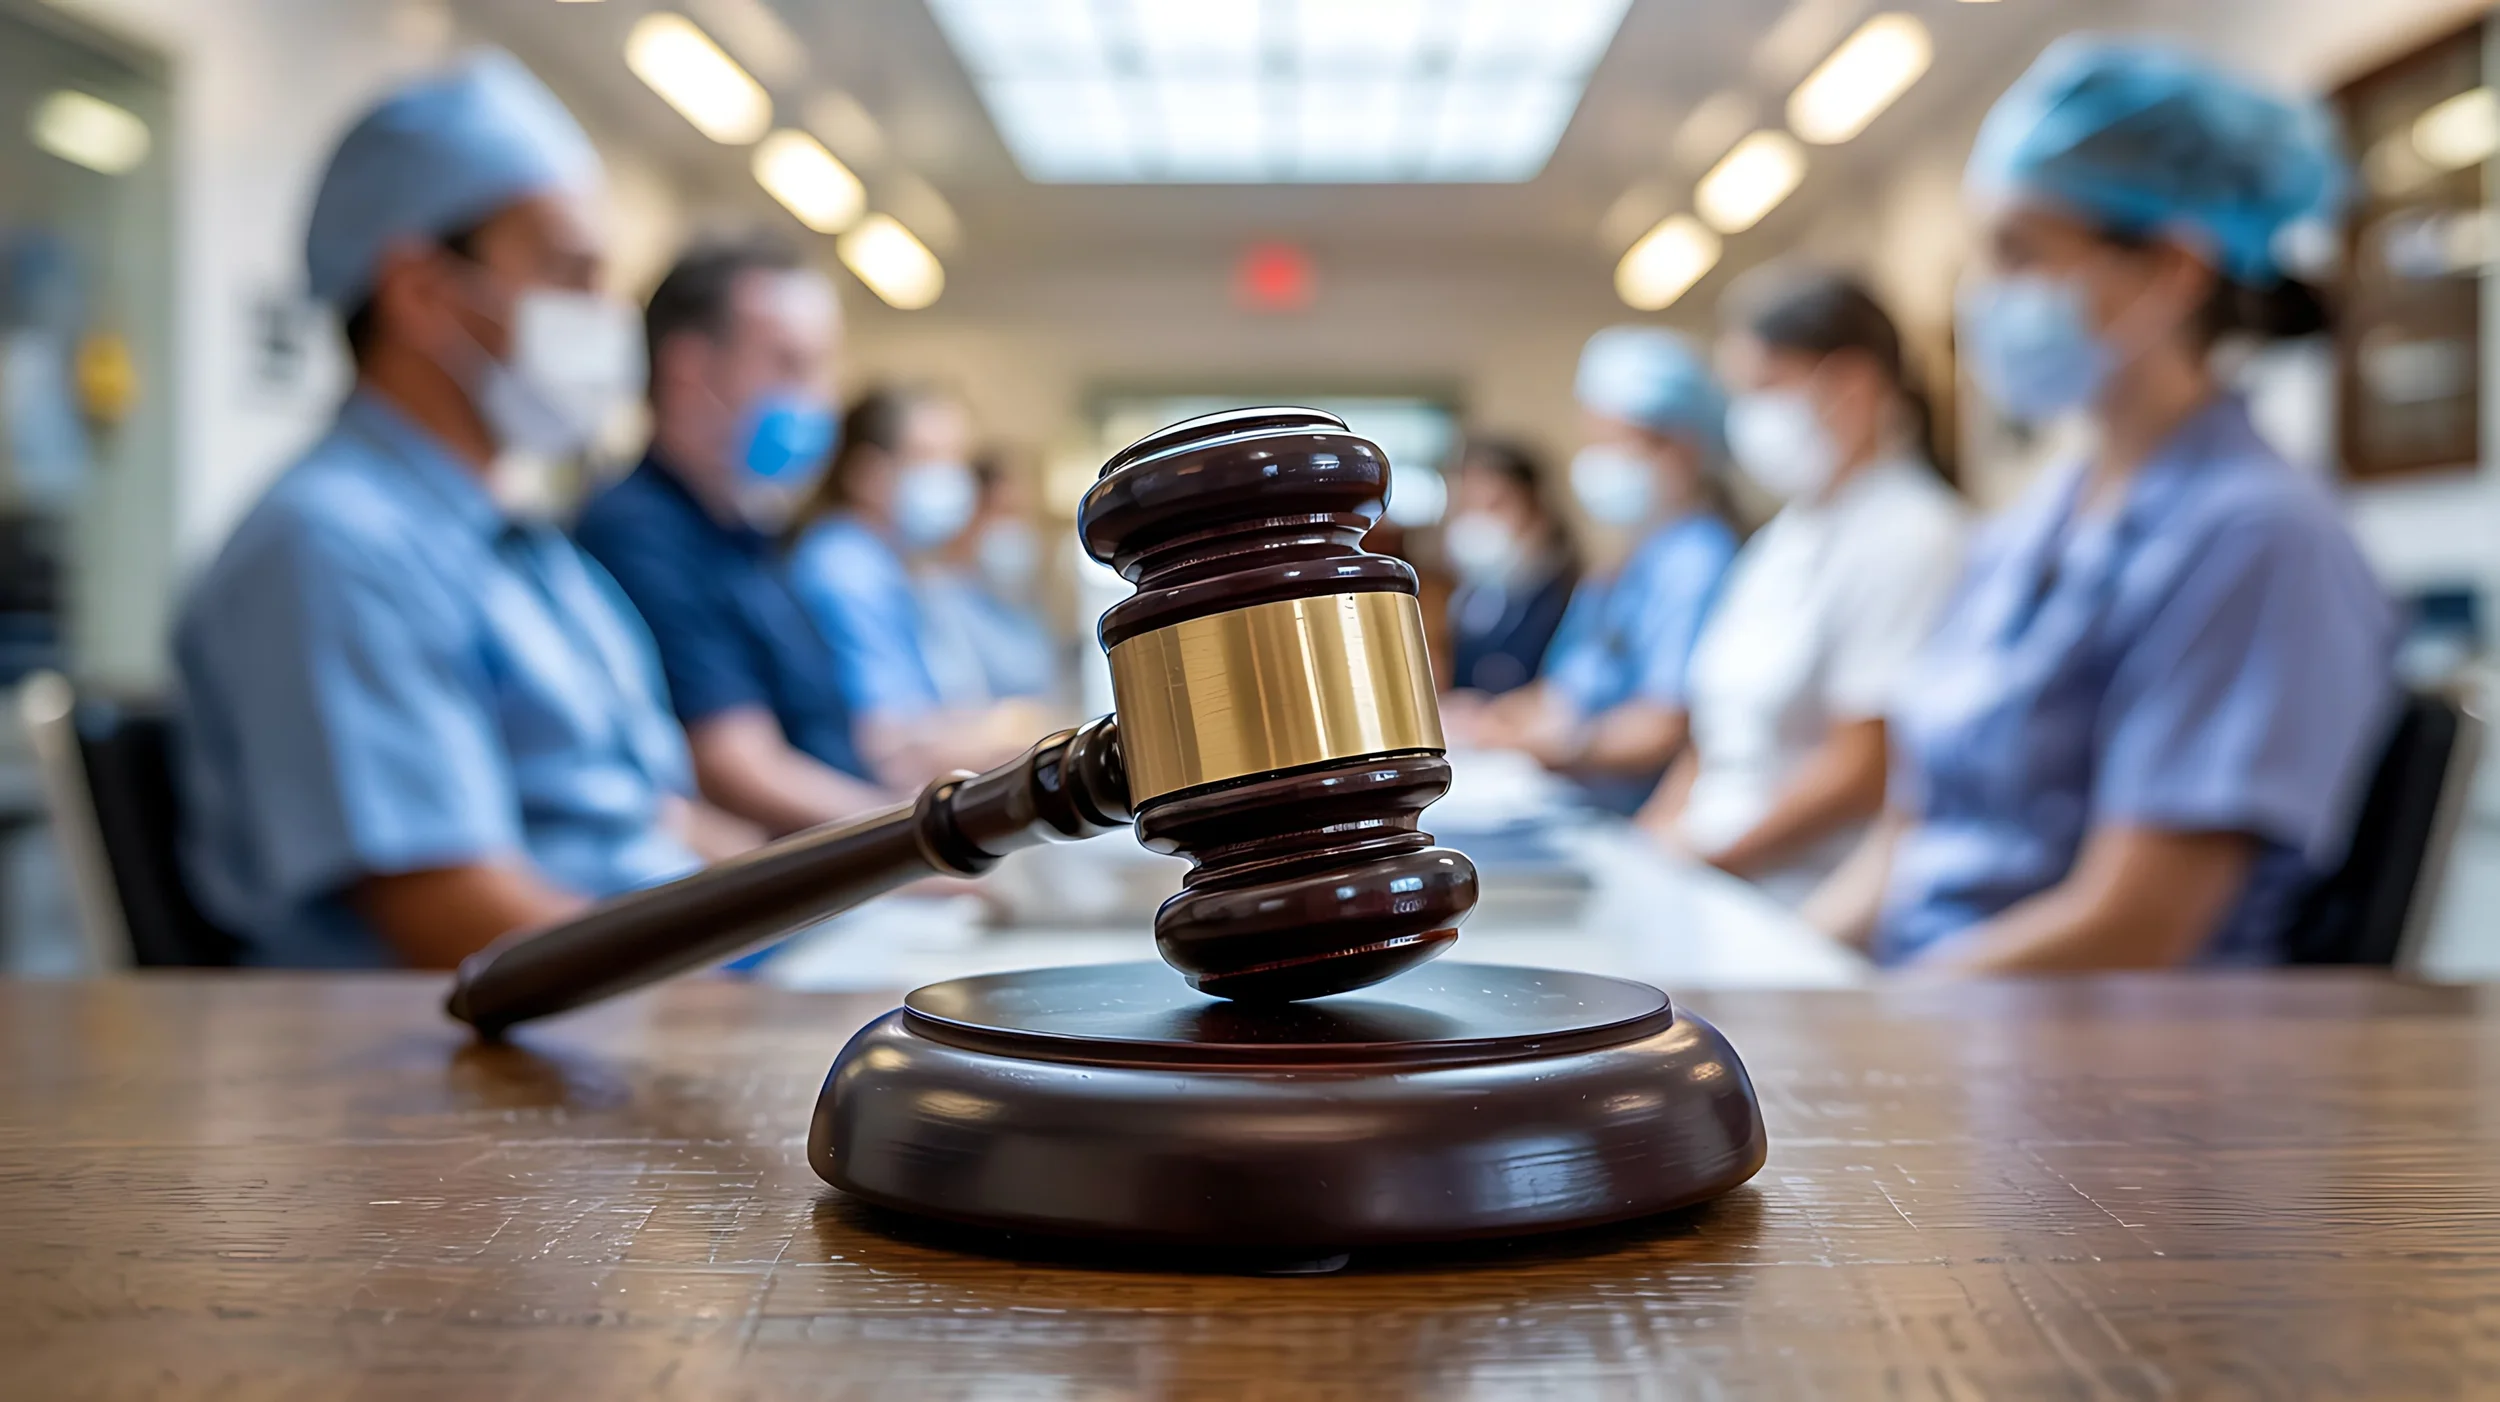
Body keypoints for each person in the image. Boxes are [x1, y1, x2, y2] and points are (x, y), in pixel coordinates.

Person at [1809, 38, 2397, 972]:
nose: (1984, 296)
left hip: (2101, 1073)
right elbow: (1909, 848)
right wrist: (1773, 982)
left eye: (2018, 253)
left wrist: (1868, 1026)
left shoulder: (2258, 538)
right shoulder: (2032, 524)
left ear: (2172, 269)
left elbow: (2135, 923)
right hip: (1935, 1022)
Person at [173, 53, 756, 969]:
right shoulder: (330, 548)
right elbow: (455, 912)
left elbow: (648, 816)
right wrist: (735, 1006)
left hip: (636, 1008)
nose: (606, 319)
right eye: (571, 273)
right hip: (480, 1069)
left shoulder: (527, 549)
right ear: (422, 292)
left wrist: (838, 910)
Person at [1637, 269, 1965, 904]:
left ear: (1852, 383)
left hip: (1801, 897)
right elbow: (1717, 735)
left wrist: (1708, 862)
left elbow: (1868, 769)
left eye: (1763, 386)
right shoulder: (1785, 536)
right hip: (1712, 877)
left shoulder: (1915, 537)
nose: (1746, 418)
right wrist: (1649, 846)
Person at [574, 241, 889, 837]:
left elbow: (823, 733)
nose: (821, 398)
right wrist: (930, 842)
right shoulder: (637, 535)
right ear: (689, 371)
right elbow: (736, 768)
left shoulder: (752, 539)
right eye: (793, 365)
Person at [1449, 328, 1739, 814]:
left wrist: (1548, 745)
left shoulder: (1698, 560)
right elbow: (1572, 687)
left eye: (1615, 443)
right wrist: (1493, 719)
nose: (1599, 460)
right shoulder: (1630, 559)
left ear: (1681, 446)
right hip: (1579, 803)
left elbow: (1664, 726)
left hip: (1641, 818)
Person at [786, 388, 1039, 785]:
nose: (951, 480)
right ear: (866, 474)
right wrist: (1011, 733)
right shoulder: (845, 568)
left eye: (957, 460)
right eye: (928, 457)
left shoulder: (895, 566)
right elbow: (889, 749)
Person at [913, 452, 1062, 709]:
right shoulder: (938, 599)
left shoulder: (1018, 604)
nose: (1012, 528)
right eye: (1002, 512)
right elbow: (962, 711)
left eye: (1019, 514)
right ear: (966, 513)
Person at [1439, 437, 1580, 698]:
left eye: (1495, 505)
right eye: (1468, 507)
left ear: (1537, 507)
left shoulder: (1574, 595)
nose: (1479, 521)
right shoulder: (1470, 599)